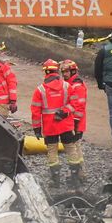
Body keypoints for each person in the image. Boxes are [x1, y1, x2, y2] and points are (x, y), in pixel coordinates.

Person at [30, 59, 75, 188]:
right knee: (71, 150)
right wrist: (65, 112)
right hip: (66, 124)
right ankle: (75, 177)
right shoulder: (67, 86)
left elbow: (35, 111)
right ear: (57, 71)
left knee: (52, 152)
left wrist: (37, 129)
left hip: (50, 127)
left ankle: (56, 181)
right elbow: (75, 104)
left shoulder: (40, 90)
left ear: (46, 72)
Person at [60, 59, 87, 188]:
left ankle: (78, 174)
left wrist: (75, 124)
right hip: (73, 122)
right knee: (76, 147)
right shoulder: (70, 84)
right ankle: (80, 173)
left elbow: (79, 107)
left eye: (66, 71)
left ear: (73, 71)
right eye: (62, 72)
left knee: (74, 148)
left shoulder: (77, 85)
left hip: (76, 123)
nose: (64, 74)